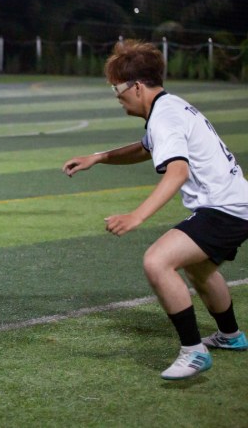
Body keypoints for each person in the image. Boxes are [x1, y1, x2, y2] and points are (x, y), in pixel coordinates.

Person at [62, 40, 248, 380]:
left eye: (117, 89)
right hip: (234, 203)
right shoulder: (169, 106)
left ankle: (193, 352)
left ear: (136, 87)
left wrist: (137, 216)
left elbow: (177, 172)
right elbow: (146, 148)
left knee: (157, 261)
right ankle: (231, 335)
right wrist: (98, 157)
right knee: (199, 268)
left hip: (224, 208)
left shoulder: (164, 116)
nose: (116, 97)